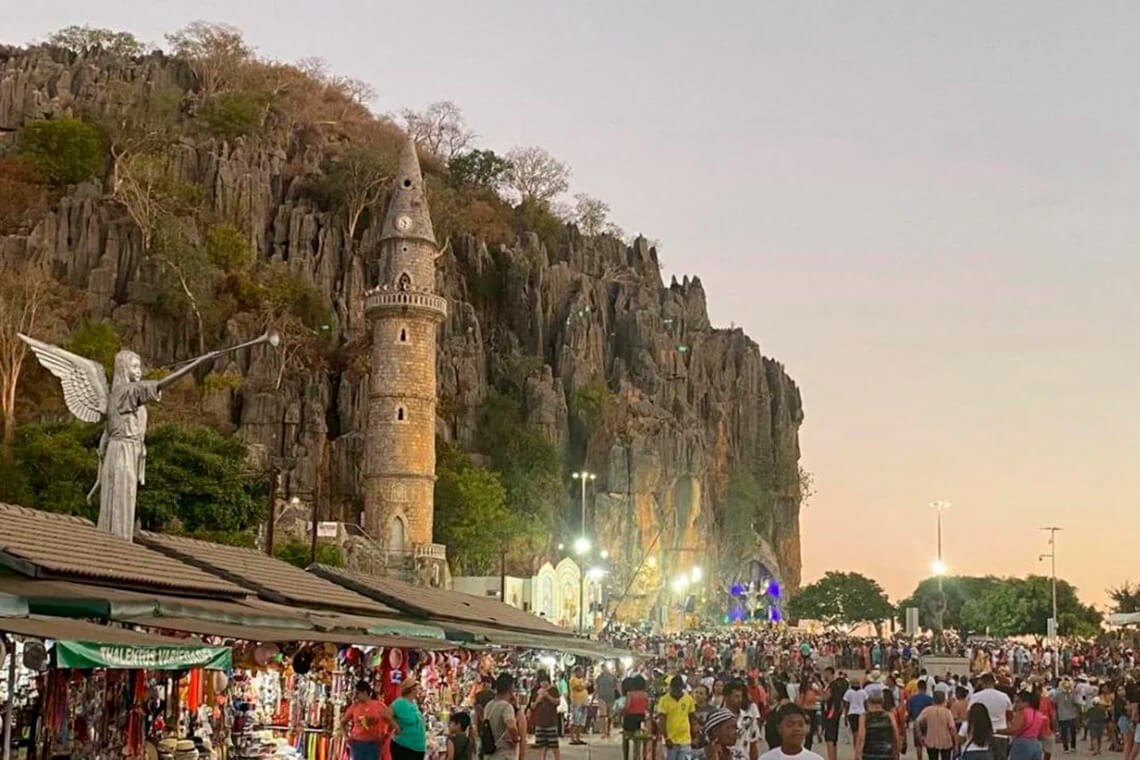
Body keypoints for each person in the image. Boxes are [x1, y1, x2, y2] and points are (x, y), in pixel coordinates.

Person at [342, 681, 391, 760]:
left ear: (364, 692)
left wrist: (385, 735)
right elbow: (343, 722)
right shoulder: (354, 706)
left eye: (357, 693)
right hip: (357, 743)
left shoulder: (379, 705)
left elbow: (390, 719)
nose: (356, 696)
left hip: (374, 743)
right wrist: (346, 737)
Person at [759, 703, 825, 760]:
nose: (796, 729)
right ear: (779, 728)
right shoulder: (767, 758)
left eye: (800, 725)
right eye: (790, 725)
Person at [970, 673, 1013, 760]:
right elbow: (1009, 716)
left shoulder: (976, 697)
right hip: (1001, 734)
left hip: (983, 735)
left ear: (982, 683)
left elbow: (970, 715)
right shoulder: (1004, 697)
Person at [657, 675, 697, 760]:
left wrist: (694, 737)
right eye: (674, 688)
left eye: (679, 688)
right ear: (671, 687)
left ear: (682, 687)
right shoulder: (664, 700)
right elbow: (662, 721)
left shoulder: (688, 699)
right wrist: (666, 738)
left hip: (685, 740)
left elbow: (692, 719)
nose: (676, 691)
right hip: (670, 741)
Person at [998, 690, 1045, 760]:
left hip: (1022, 744)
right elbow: (1041, 732)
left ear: (1026, 703)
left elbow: (1014, 729)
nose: (1015, 704)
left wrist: (996, 731)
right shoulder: (1038, 713)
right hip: (1036, 743)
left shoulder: (1022, 713)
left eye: (1017, 702)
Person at [485, 673, 521, 760]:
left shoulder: (489, 705)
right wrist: (516, 739)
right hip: (504, 754)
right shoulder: (506, 706)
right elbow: (511, 726)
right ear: (510, 689)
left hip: (490, 753)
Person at [855, 690, 899, 760]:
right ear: (882, 701)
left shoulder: (864, 717)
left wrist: (858, 753)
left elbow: (861, 736)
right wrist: (896, 752)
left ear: (869, 702)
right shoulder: (890, 715)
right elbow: (896, 734)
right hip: (887, 753)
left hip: (869, 754)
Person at [391, 679, 427, 760]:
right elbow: (386, 714)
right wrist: (396, 727)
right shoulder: (400, 702)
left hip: (416, 748)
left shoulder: (413, 703)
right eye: (417, 688)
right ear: (412, 689)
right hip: (404, 747)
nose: (419, 690)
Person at [726, 680, 762, 760]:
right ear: (727, 698)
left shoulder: (749, 719)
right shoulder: (718, 719)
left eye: (740, 696)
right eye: (736, 697)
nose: (740, 700)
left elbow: (753, 746)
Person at [529, 672, 560, 760]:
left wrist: (547, 696)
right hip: (540, 722)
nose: (544, 683)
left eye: (545, 681)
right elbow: (532, 706)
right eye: (542, 681)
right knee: (541, 746)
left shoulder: (553, 690)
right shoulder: (535, 691)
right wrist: (538, 700)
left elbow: (557, 702)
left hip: (551, 722)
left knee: (554, 746)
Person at [916, 692, 956, 760]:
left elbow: (917, 722)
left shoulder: (927, 710)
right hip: (945, 741)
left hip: (931, 741)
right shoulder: (947, 712)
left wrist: (920, 735)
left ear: (933, 700)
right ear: (944, 700)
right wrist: (955, 740)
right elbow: (952, 727)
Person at [906, 681, 934, 760]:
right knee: (929, 743)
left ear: (918, 688)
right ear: (925, 688)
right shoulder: (930, 699)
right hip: (927, 723)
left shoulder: (912, 699)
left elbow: (909, 711)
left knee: (918, 745)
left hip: (916, 722)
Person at [596, 666, 619, 739]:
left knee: (610, 716)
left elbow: (617, 686)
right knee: (602, 715)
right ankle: (603, 732)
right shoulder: (599, 677)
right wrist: (594, 696)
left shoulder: (613, 677)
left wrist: (621, 695)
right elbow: (597, 687)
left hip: (611, 698)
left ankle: (608, 731)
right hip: (601, 697)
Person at [568, 667, 589, 745]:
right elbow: (579, 688)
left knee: (581, 722)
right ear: (576, 672)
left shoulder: (582, 680)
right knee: (575, 721)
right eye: (580, 672)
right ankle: (572, 738)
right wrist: (585, 685)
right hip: (576, 703)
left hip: (583, 703)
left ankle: (578, 738)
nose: (582, 673)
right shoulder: (573, 680)